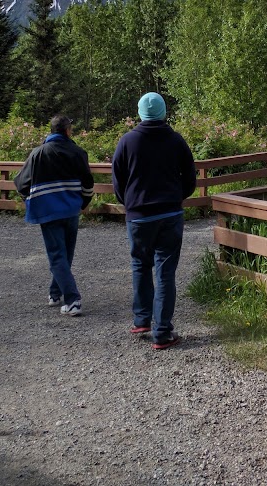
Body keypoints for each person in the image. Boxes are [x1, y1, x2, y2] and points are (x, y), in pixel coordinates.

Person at [112, 92, 196, 350]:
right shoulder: (175, 140)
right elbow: (190, 179)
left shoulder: (127, 142)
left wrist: (130, 204)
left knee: (140, 264)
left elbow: (118, 181)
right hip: (170, 214)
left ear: (140, 112)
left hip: (138, 216)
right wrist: (174, 199)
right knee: (165, 271)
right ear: (163, 112)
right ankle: (162, 331)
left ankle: (142, 320)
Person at [14, 115, 94, 316]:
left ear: (51, 131)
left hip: (48, 211)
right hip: (71, 210)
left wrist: (31, 199)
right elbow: (88, 184)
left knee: (58, 255)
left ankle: (62, 295)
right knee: (65, 254)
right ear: (68, 131)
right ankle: (67, 297)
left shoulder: (38, 153)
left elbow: (21, 183)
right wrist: (82, 203)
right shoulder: (77, 152)